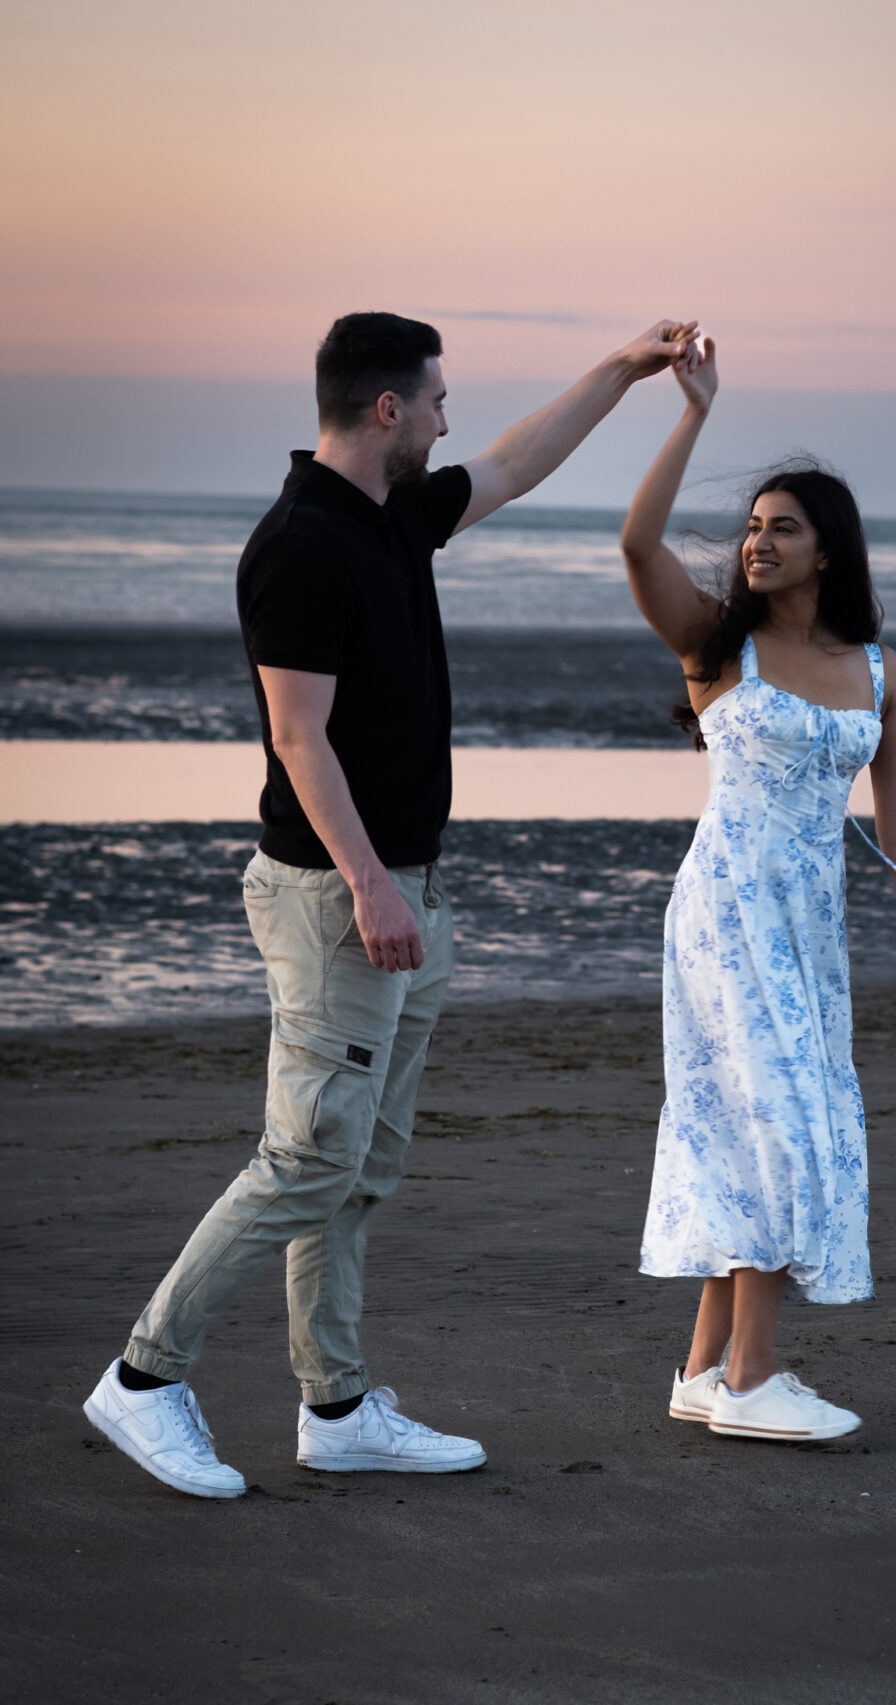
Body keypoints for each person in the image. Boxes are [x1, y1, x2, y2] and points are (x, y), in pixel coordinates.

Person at [84, 309, 700, 1498]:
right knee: (305, 1156)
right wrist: (369, 885)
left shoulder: (391, 518)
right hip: (336, 898)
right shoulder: (301, 545)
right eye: (434, 400)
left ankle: (339, 1407)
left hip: (406, 890)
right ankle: (145, 1380)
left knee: (358, 1168)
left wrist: (627, 370)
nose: (446, 418)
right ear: (385, 410)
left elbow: (518, 459)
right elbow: (296, 737)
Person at [620, 336, 896, 1444]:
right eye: (751, 526)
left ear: (828, 551)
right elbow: (635, 542)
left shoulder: (880, 671)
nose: (757, 542)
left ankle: (700, 1370)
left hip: (807, 928)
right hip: (724, 916)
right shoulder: (717, 650)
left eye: (783, 527)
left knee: (756, 1123)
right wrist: (691, 414)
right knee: (777, 1123)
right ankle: (750, 1382)